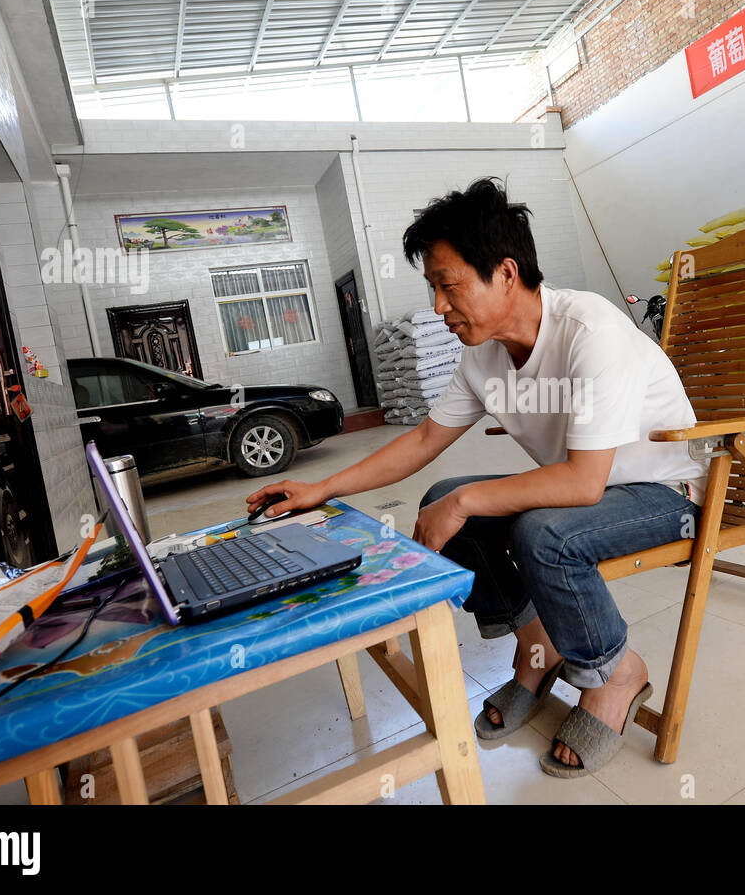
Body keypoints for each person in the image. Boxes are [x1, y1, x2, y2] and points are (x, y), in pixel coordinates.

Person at [247, 177, 704, 777]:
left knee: (537, 530)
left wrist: (467, 499)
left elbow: (584, 485)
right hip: (589, 496)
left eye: (448, 286)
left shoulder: (590, 331)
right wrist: (322, 488)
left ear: (506, 273)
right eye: (434, 288)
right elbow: (422, 440)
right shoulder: (483, 356)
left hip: (662, 494)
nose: (438, 307)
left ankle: (614, 674)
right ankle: (535, 651)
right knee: (445, 497)